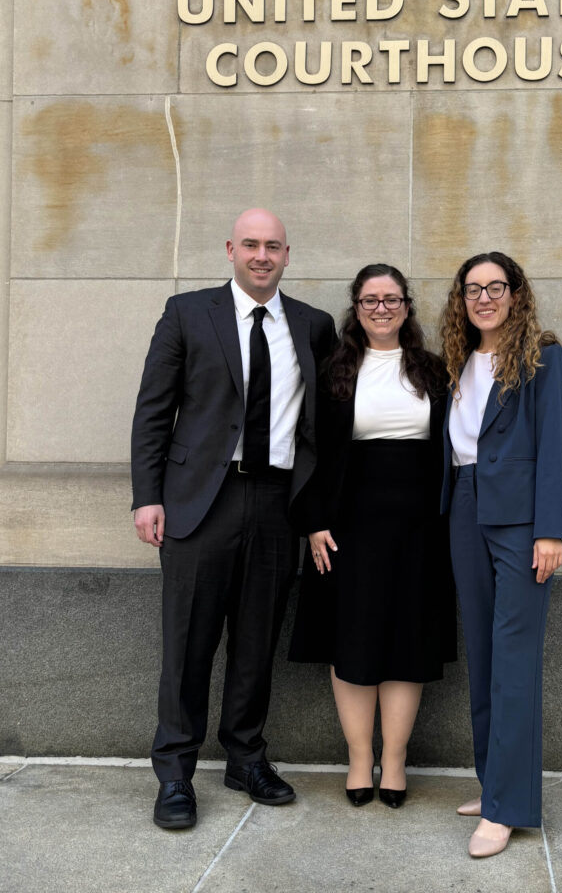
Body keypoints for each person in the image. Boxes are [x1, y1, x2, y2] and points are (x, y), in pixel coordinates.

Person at [131, 208, 336, 830]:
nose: (261, 255)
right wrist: (148, 496)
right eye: (250, 244)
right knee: (188, 643)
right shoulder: (188, 313)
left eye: (272, 246)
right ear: (230, 249)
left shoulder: (313, 325)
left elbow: (322, 428)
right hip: (200, 502)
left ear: (287, 254)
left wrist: (318, 509)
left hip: (276, 503)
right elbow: (152, 411)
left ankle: (246, 756)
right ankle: (174, 772)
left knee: (256, 639)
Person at [289, 264, 456, 808]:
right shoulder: (332, 370)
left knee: (407, 641)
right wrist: (313, 521)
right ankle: (361, 760)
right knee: (353, 641)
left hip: (419, 527)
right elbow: (308, 450)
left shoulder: (434, 371)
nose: (380, 308)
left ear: (407, 306)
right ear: (355, 308)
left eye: (391, 299)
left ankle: (397, 761)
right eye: (369, 300)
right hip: (346, 527)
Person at [439, 251, 562, 859]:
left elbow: (553, 443)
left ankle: (508, 808)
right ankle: (494, 783)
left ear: (516, 292)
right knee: (486, 654)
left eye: (495, 287)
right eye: (472, 289)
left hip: (520, 523)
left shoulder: (541, 354)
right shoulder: (458, 359)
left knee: (514, 658)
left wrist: (550, 530)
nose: (483, 297)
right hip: (465, 506)